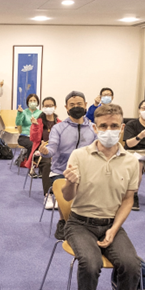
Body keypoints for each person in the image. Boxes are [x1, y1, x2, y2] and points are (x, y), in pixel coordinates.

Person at [62, 103, 142, 290]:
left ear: (122, 128)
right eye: (104, 126)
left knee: (130, 264)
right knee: (91, 262)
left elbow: (128, 200)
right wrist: (70, 182)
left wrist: (113, 230)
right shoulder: (79, 155)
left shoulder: (130, 161)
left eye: (114, 126)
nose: (109, 130)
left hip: (111, 223)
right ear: (95, 127)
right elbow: (67, 198)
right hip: (79, 223)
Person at [39, 91, 97, 231]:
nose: (76, 107)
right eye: (72, 105)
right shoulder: (58, 128)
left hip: (87, 172)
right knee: (65, 194)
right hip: (61, 171)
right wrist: (46, 152)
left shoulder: (93, 128)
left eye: (79, 104)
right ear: (66, 107)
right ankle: (63, 221)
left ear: (85, 105)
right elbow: (51, 148)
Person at [23, 96, 60, 209]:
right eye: (46, 106)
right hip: (40, 153)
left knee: (64, 164)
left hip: (57, 153)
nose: (48, 108)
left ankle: (59, 195)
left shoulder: (59, 122)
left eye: (50, 106)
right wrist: (34, 126)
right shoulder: (38, 121)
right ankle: (48, 195)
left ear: (55, 107)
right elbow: (33, 139)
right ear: (43, 107)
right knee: (47, 163)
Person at [15, 93, 42, 162]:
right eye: (30, 101)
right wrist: (19, 113)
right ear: (27, 102)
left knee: (42, 144)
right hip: (24, 136)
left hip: (36, 136)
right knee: (32, 144)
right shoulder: (24, 112)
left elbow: (42, 126)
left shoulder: (41, 113)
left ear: (37, 102)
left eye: (34, 101)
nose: (32, 102)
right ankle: (30, 164)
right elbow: (18, 123)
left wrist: (36, 123)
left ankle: (36, 161)